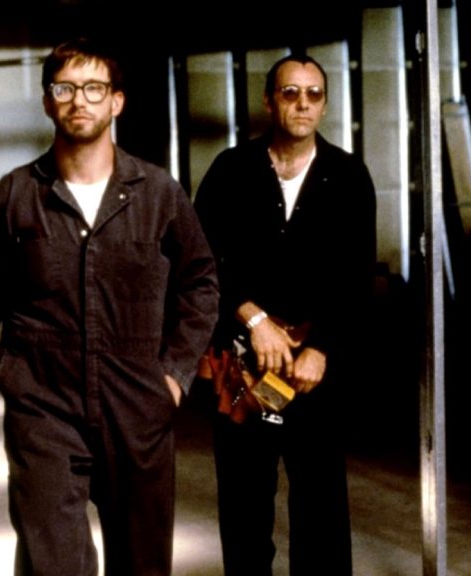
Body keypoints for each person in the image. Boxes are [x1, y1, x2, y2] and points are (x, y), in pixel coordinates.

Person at [0, 39, 219, 576]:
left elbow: (201, 283)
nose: (79, 101)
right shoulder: (14, 197)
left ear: (117, 102)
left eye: (94, 89)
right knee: (52, 562)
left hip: (137, 405)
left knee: (143, 564)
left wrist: (174, 375)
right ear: (47, 102)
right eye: (65, 88)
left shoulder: (159, 194)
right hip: (43, 407)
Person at [194, 54, 377, 575]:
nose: (302, 103)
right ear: (269, 101)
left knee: (321, 505)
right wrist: (253, 319)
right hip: (242, 366)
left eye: (313, 94)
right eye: (290, 92)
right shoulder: (231, 170)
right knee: (244, 503)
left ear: (325, 104)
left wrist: (322, 349)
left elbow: (356, 278)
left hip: (312, 370)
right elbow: (199, 260)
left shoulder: (348, 176)